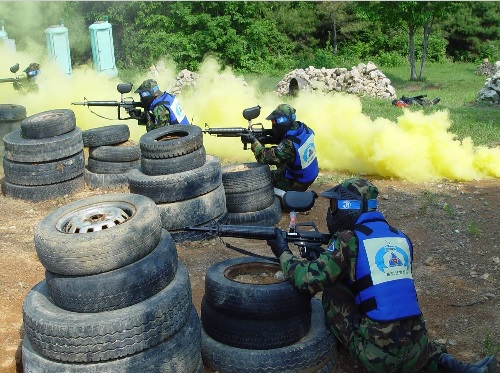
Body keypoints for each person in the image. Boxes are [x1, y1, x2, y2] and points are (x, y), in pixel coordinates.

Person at [267, 177, 497, 373]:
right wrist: (329, 257)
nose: (331, 212)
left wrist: (283, 252)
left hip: (377, 360)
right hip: (418, 350)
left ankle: (343, 347)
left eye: (335, 206)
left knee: (332, 290)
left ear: (350, 207)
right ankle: (453, 365)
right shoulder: (400, 237)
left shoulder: (349, 240)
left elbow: (307, 280)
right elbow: (373, 278)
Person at [241, 103, 319, 192]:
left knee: (264, 178)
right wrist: (266, 139)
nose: (273, 124)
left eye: (275, 121)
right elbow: (287, 139)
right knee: (279, 153)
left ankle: (280, 200)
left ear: (284, 121)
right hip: (310, 172)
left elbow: (264, 157)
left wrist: (253, 141)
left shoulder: (289, 145)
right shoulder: (305, 129)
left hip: (298, 182)